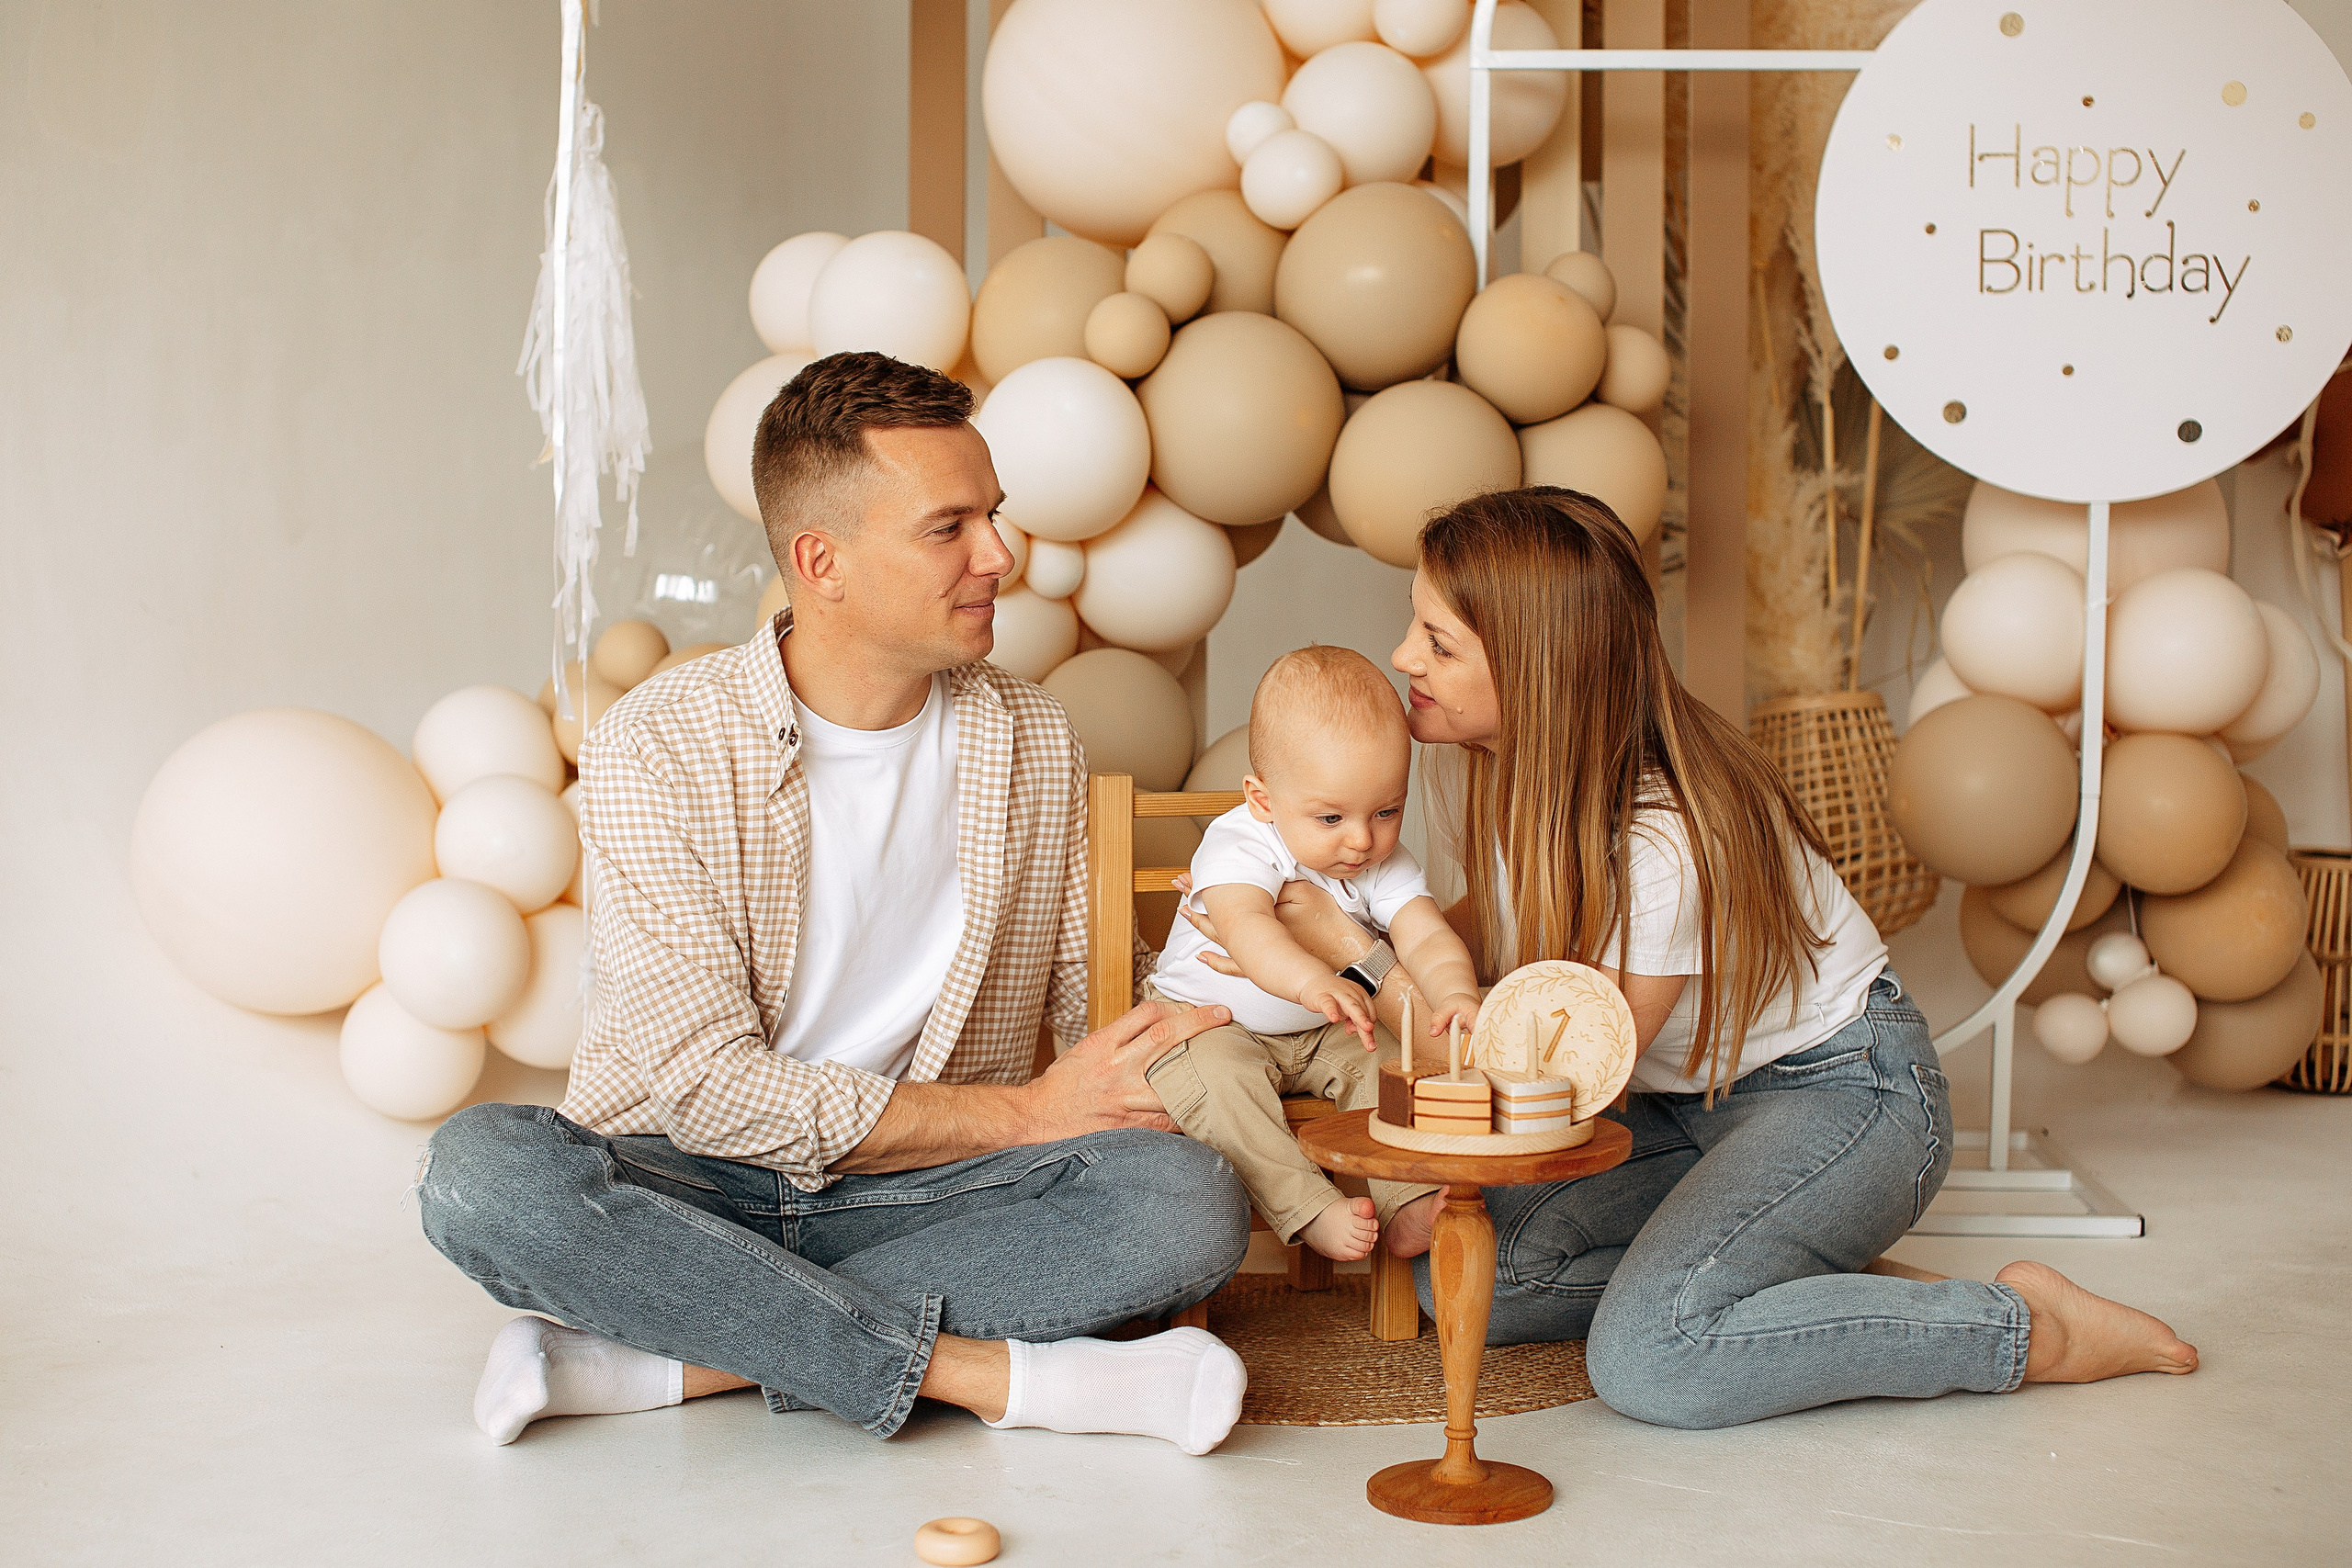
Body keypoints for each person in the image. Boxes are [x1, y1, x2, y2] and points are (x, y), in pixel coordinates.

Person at [1186, 485, 2198, 1430]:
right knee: (1462, 1278)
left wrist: (1355, 954)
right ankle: (1771, 1279)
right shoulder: (1524, 781)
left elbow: (1567, 1080)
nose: (1403, 657)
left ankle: (2022, 1328)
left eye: (1439, 644)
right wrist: (1282, 948)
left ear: (1539, 669)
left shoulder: (1666, 837)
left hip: (1841, 1093)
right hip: (1684, 1109)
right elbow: (1466, 938)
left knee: (1652, 1356)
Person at [415, 352, 1252, 1455]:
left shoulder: (1031, 737)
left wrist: (1256, 978)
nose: (999, 556)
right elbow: (707, 1095)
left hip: (932, 1183)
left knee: (1186, 1201)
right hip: (691, 1180)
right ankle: (1000, 1381)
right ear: (823, 562)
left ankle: (671, 1355)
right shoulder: (660, 744)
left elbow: (1097, 1003)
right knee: (483, 1178)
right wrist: (1028, 1116)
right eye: (948, 527)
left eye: (992, 516)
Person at [1147, 647, 1481, 1261]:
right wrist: (1309, 982)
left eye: (1387, 810)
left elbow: (1426, 934)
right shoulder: (1241, 842)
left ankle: (1406, 1197)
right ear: (1263, 798)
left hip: (1324, 1025)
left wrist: (1454, 992)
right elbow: (1249, 929)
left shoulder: (1382, 858)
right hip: (1210, 1021)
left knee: (1391, 1069)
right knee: (1222, 1088)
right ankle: (1309, 1206)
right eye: (1331, 816)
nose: (1362, 839)